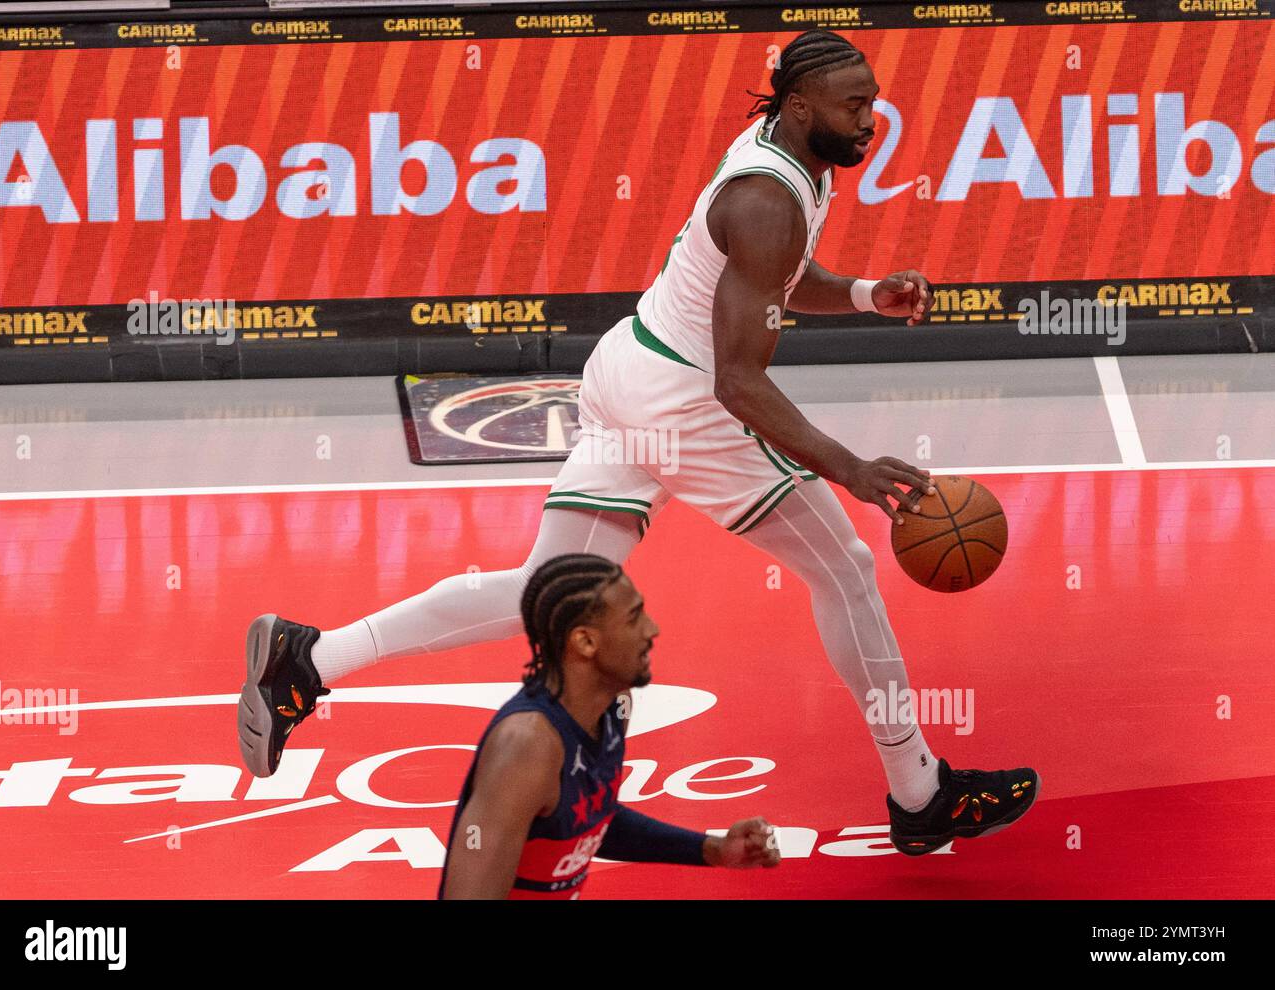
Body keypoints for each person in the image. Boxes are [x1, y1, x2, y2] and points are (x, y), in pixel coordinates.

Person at [237, 29, 1039, 857]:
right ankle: (920, 791)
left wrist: (869, 294)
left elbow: (776, 282)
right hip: (686, 400)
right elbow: (739, 381)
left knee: (544, 596)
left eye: (872, 100)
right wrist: (851, 468)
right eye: (855, 105)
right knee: (846, 565)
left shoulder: (789, 158)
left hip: (630, 365)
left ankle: (310, 660)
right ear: (801, 107)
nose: (873, 119)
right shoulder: (767, 202)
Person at [438, 553, 779, 899]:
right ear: (585, 642)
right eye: (634, 618)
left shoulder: (614, 706)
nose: (652, 629)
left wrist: (712, 849)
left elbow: (588, 820)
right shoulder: (527, 745)